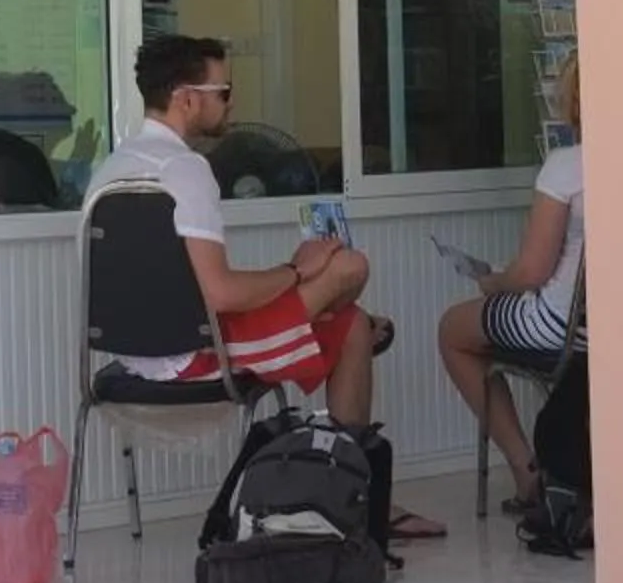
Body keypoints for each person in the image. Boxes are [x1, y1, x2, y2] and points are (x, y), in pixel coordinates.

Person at [88, 34, 444, 540]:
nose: (231, 102)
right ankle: (360, 501)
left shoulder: (114, 167)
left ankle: (353, 483)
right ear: (188, 98)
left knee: (350, 324)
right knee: (348, 269)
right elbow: (222, 296)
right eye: (225, 91)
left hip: (130, 350)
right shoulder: (185, 170)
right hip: (192, 355)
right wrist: (297, 270)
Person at [438, 55, 588, 512]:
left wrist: (493, 282)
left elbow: (532, 273)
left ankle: (527, 473)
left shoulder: (567, 166)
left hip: (562, 327)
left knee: (453, 330)